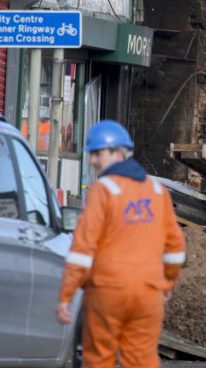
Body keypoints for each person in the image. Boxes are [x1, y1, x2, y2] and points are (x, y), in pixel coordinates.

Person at [56, 120, 185, 368]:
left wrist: (66, 295)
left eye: (97, 154)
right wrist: (167, 283)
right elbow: (176, 250)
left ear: (117, 152)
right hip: (148, 293)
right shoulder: (157, 192)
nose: (93, 161)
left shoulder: (103, 190)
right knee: (141, 360)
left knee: (99, 359)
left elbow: (83, 249)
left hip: (107, 291)